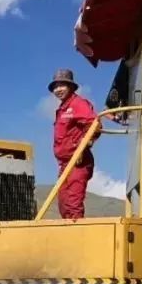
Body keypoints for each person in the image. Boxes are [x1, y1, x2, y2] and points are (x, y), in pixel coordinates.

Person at [50, 68, 97, 220]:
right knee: (64, 204)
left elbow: (94, 124)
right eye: (56, 86)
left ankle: (78, 238)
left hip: (78, 162)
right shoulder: (62, 109)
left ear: (70, 86)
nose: (58, 89)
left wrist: (82, 148)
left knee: (73, 204)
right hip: (65, 165)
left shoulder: (78, 103)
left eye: (62, 85)